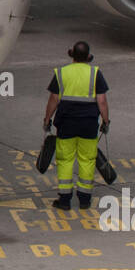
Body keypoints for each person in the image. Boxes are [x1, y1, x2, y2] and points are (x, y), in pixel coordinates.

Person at [43, 41, 110, 210]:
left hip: (66, 124)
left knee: (65, 160)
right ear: (88, 57)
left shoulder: (61, 73)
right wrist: (106, 121)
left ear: (71, 54)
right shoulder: (95, 73)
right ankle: (85, 199)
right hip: (88, 125)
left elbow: (53, 99)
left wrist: (46, 120)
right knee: (87, 160)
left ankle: (64, 200)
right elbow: (101, 101)